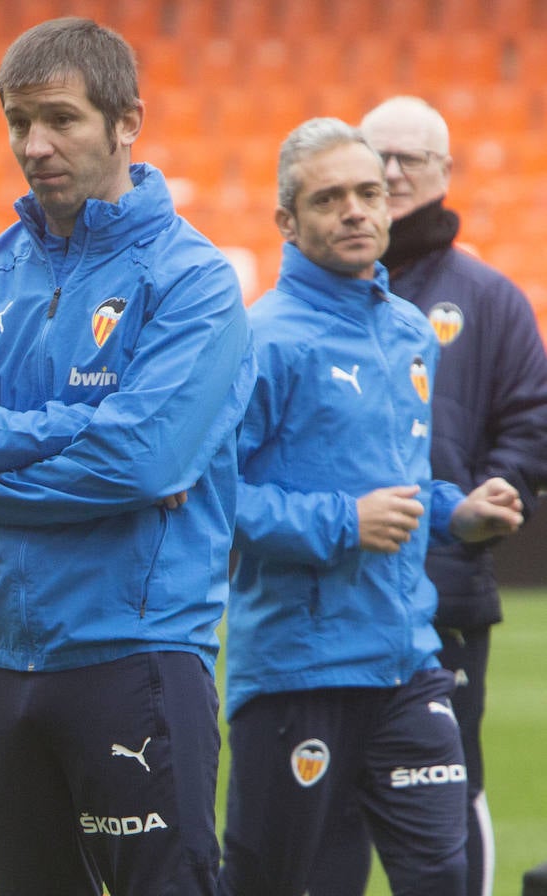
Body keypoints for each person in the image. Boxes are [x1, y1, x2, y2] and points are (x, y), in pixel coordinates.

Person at [0, 17, 255, 896]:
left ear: (127, 121)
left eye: (61, 119)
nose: (34, 145)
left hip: (133, 656)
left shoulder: (192, 278)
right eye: (18, 122)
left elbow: (142, 461)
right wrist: (59, 428)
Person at [218, 117, 525, 896]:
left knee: (442, 876)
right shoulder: (259, 340)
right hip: (298, 672)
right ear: (287, 222)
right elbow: (214, 499)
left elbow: (406, 483)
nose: (356, 210)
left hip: (407, 659)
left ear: (390, 209)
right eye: (329, 199)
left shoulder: (411, 332)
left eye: (369, 193)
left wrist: (458, 512)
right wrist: (344, 525)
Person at [306, 95, 547, 896]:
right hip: (328, 588)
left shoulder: (490, 298)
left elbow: (530, 423)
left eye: (416, 158)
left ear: (447, 174)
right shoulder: (315, 303)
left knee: (450, 787)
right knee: (324, 802)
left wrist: (489, 500)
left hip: (445, 589)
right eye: (383, 156)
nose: (398, 171)